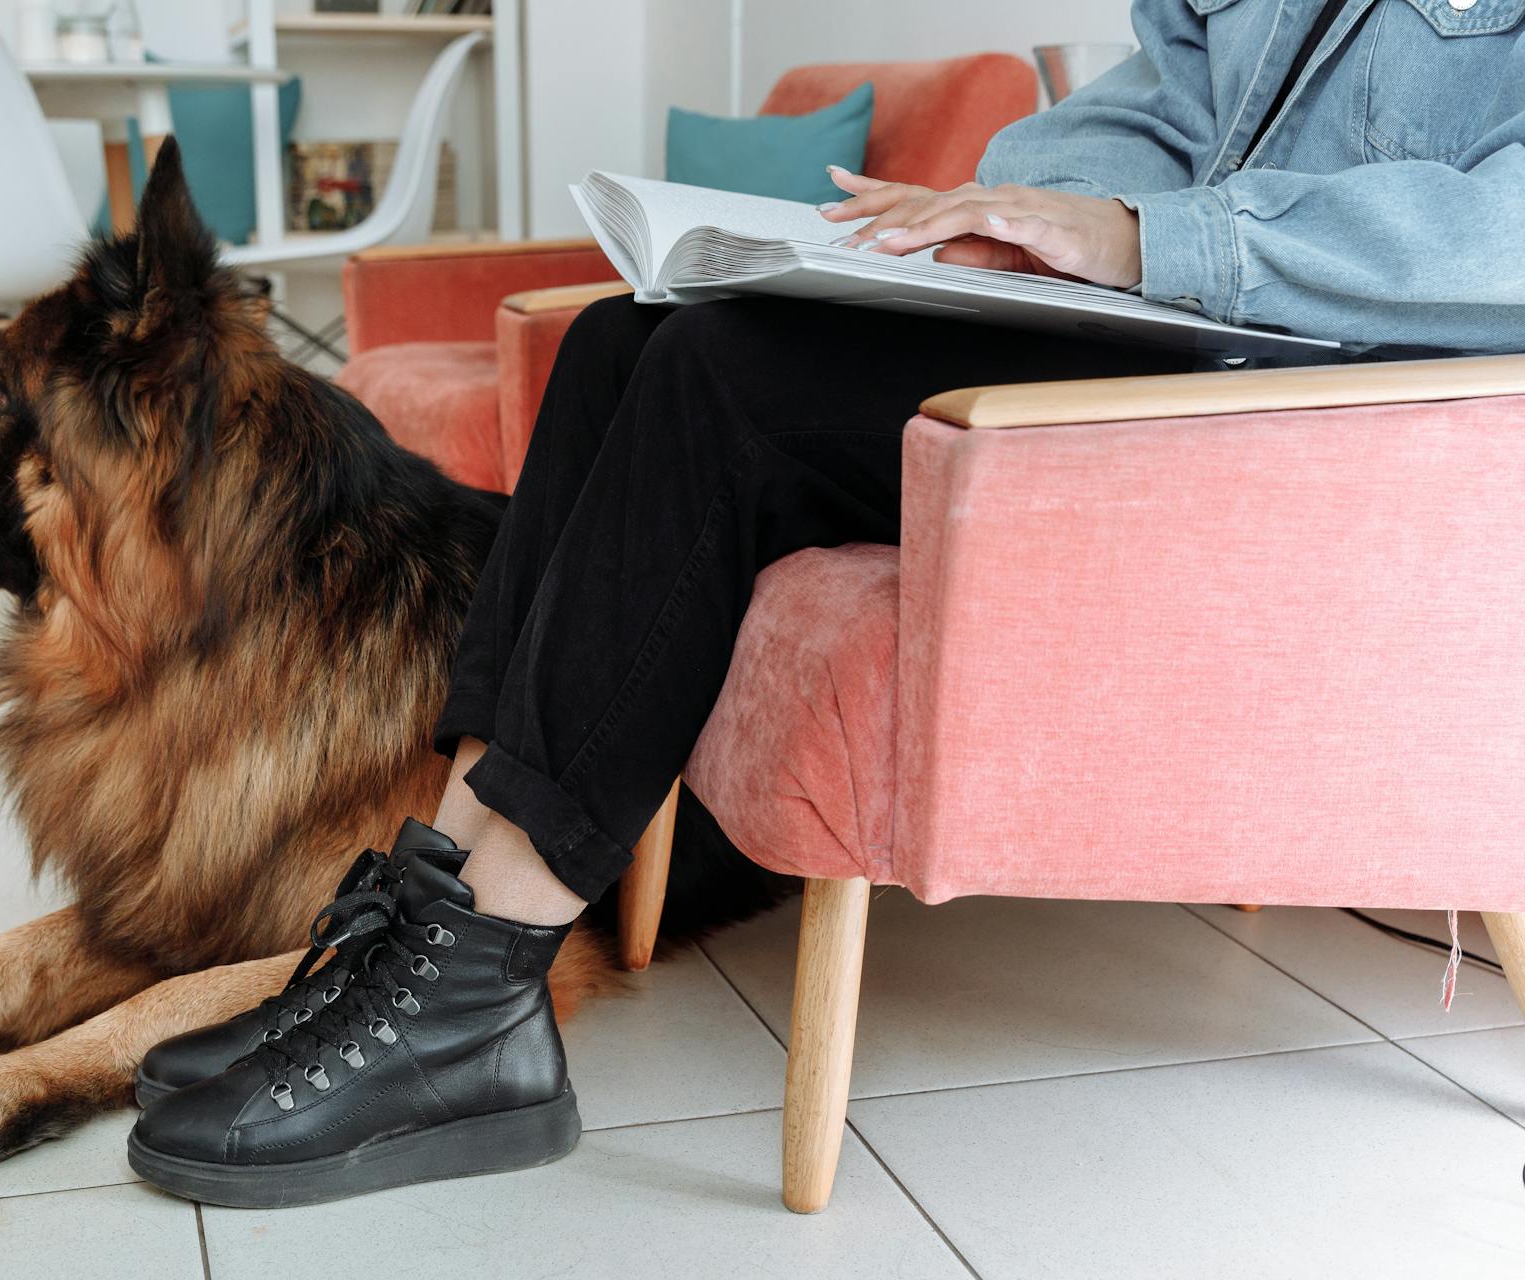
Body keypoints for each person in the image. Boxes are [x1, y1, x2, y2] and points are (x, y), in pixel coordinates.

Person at [126, 0, 1525, 1207]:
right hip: (1170, 338)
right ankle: (432, 919)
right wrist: (1013, 217)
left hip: (1338, 421)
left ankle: (472, 998)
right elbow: (1165, 101)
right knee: (632, 336)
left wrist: (1160, 237)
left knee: (721, 384)